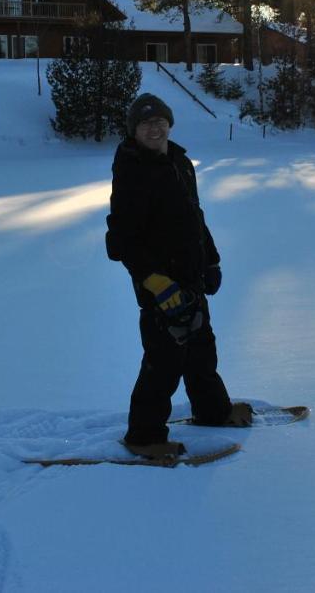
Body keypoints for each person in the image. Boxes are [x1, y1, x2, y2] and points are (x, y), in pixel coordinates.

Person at [105, 92, 252, 457]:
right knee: (164, 362)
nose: (155, 128)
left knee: (201, 350)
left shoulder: (179, 162)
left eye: (160, 122)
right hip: (160, 286)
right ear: (134, 131)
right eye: (146, 123)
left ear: (170, 124)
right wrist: (156, 283)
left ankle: (213, 411)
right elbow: (122, 241)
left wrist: (211, 261)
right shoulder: (132, 170)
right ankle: (144, 436)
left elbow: (194, 218)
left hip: (190, 276)